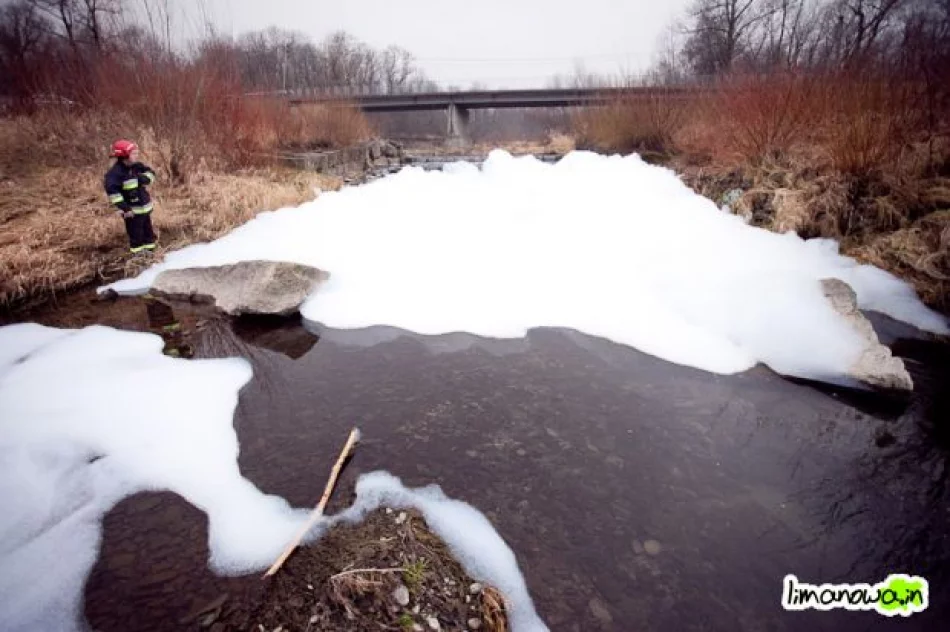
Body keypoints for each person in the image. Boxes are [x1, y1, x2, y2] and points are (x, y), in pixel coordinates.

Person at [104, 139, 157, 254]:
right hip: (131, 213)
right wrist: (125, 208)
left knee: (149, 233)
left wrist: (146, 178)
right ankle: (138, 258)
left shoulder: (137, 166)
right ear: (125, 155)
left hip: (144, 209)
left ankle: (151, 254)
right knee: (136, 237)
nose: (136, 155)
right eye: (133, 153)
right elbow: (113, 193)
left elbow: (151, 173)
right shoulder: (115, 174)